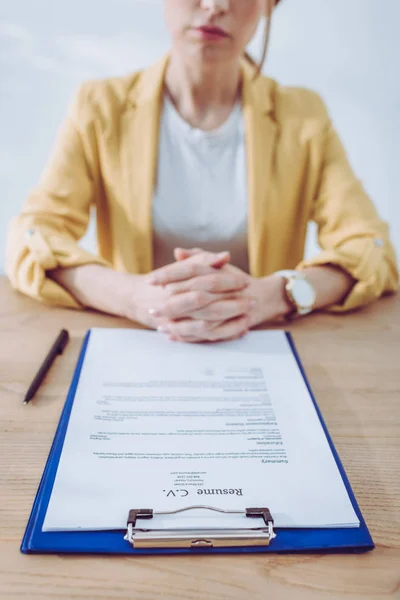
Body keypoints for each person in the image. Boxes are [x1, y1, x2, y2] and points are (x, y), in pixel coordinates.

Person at [6, 0, 398, 343]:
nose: (214, 4)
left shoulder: (302, 116)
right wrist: (133, 296)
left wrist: (273, 295)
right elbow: (32, 238)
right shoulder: (100, 106)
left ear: (269, 4)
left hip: (259, 347)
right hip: (137, 345)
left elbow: (371, 249)